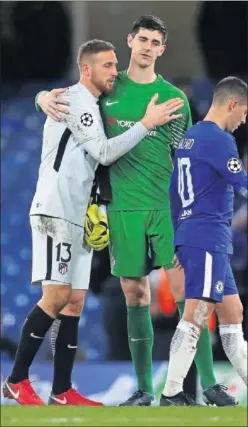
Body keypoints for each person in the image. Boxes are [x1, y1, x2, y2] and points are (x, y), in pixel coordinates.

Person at [36, 15, 235, 407]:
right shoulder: (106, 90)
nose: (146, 46)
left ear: (162, 48)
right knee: (134, 293)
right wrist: (41, 96)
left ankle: (205, 386)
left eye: (154, 41)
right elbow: (69, 95)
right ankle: (145, 389)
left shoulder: (175, 99)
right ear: (130, 41)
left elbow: (186, 155)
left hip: (166, 207)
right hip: (122, 208)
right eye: (141, 39)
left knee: (187, 294)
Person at [2, 39, 182, 406]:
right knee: (55, 298)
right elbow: (102, 151)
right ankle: (16, 380)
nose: (114, 71)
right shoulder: (74, 100)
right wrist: (146, 124)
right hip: (57, 210)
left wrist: (39, 98)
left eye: (115, 64)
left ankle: (63, 390)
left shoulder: (94, 104)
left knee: (75, 302)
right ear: (86, 69)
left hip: (80, 215)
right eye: (107, 65)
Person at [160, 76, 247, 406]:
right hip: (207, 235)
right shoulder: (219, 139)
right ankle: (170, 393)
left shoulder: (190, 138)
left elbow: (173, 193)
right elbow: (242, 184)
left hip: (200, 235)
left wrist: (180, 236)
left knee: (233, 312)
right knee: (197, 312)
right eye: (245, 113)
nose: (243, 121)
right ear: (232, 105)